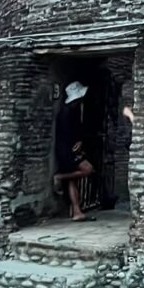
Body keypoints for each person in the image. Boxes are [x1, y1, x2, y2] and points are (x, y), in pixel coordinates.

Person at [53, 81, 96, 222]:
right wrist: (76, 143)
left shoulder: (73, 110)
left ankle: (77, 211)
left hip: (68, 149)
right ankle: (59, 177)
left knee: (73, 180)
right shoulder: (66, 113)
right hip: (67, 151)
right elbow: (68, 134)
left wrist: (80, 141)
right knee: (87, 169)